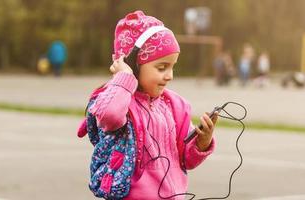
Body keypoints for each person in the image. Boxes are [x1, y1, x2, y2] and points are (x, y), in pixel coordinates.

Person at [76, 11, 218, 200]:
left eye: (172, 67)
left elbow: (187, 160)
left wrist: (202, 142)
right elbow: (108, 116)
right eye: (161, 68)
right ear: (133, 64)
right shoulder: (120, 101)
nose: (170, 75)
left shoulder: (174, 106)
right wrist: (124, 77)